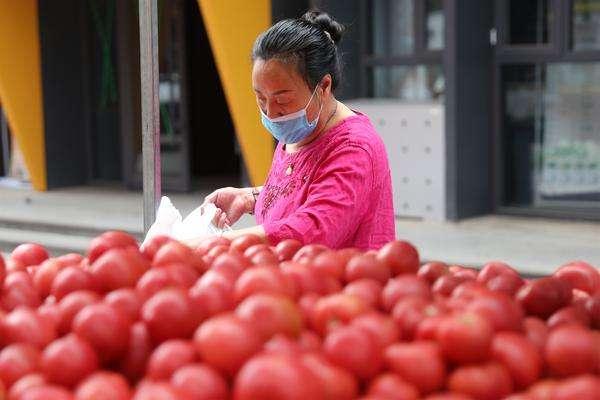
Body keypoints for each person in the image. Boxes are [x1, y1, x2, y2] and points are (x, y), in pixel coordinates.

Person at [197, 10, 395, 250]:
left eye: (282, 100)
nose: (270, 112)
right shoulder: (299, 132)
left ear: (323, 86)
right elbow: (302, 189)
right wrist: (251, 197)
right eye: (260, 98)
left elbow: (311, 228)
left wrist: (214, 243)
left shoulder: (354, 148)